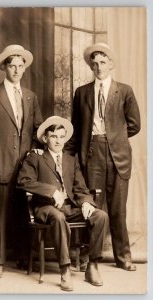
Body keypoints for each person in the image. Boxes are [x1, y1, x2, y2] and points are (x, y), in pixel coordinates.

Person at [65, 42, 141, 271]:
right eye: (94, 63)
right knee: (92, 208)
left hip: (118, 154)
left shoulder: (124, 91)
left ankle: (123, 256)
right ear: (91, 66)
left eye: (103, 62)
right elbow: (76, 128)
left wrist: (114, 137)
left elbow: (135, 125)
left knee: (118, 209)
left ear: (111, 64)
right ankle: (89, 256)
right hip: (91, 154)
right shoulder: (82, 92)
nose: (98, 67)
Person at [0, 44, 43, 278]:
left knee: (23, 213)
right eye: (11, 65)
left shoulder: (31, 97)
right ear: (4, 67)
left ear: (24, 68)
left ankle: (23, 257)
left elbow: (37, 131)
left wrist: (36, 160)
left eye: (20, 66)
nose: (16, 69)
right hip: (0, 164)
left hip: (25, 168)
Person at [17, 116, 108, 291]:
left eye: (61, 136)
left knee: (100, 216)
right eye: (53, 136)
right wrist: (51, 192)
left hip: (70, 207)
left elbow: (80, 187)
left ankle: (93, 266)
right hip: (46, 207)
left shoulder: (70, 160)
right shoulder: (35, 158)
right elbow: (23, 181)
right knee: (58, 217)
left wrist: (87, 202)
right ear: (45, 138)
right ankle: (65, 269)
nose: (58, 141)